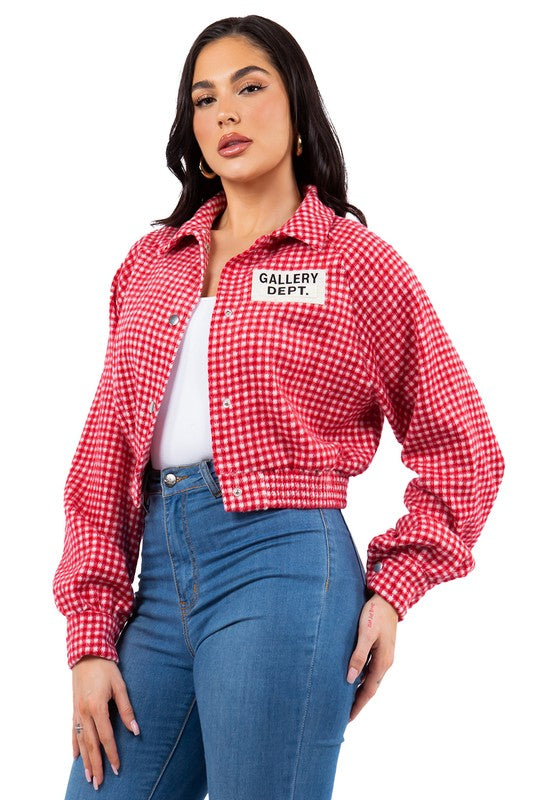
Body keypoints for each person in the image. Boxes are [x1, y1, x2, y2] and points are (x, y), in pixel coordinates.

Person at [53, 14, 505, 800]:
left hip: (284, 569)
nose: (225, 111)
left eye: (249, 87)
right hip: (156, 586)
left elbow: (463, 446)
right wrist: (91, 637)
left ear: (298, 112)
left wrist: (394, 588)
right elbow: (104, 455)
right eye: (204, 99)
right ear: (193, 134)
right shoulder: (150, 265)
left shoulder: (353, 263)